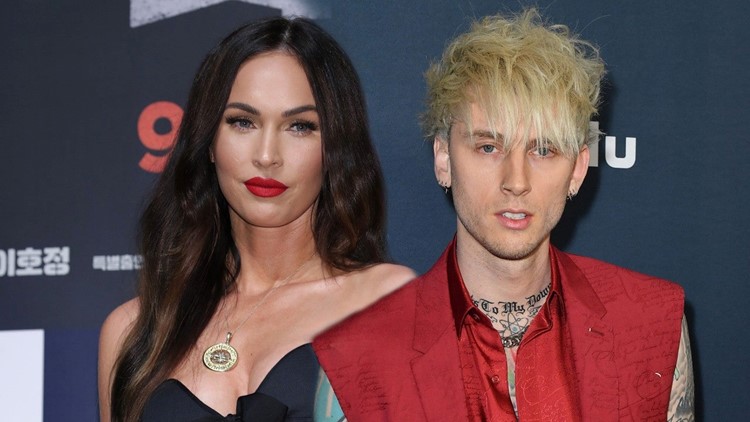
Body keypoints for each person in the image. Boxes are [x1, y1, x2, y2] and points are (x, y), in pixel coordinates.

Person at [314, 9, 694, 421]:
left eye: (543, 150)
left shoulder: (652, 323)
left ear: (578, 169)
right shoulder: (357, 360)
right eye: (489, 147)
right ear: (443, 158)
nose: (516, 181)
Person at [98, 17, 415, 422]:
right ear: (209, 142)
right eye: (243, 122)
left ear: (335, 147)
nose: (267, 156)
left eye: (299, 126)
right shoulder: (133, 331)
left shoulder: (386, 301)